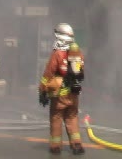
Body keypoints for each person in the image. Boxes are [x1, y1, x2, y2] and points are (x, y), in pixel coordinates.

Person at [38, 23, 85, 155]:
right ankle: (76, 145)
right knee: (72, 118)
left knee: (56, 118)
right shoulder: (78, 53)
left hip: (59, 95)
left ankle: (55, 146)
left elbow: (48, 73)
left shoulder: (57, 54)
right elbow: (81, 73)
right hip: (74, 94)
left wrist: (42, 90)